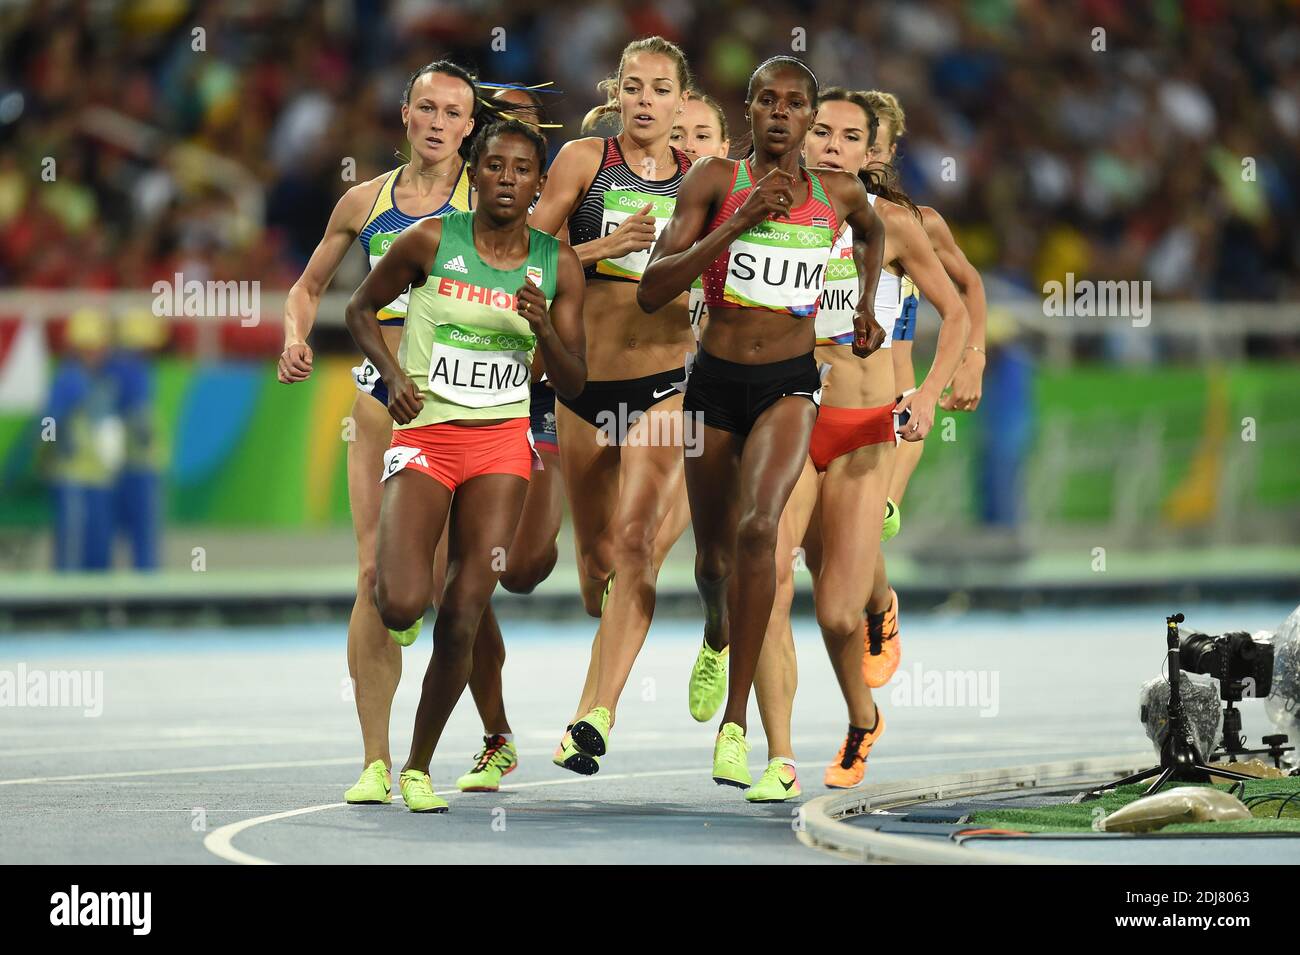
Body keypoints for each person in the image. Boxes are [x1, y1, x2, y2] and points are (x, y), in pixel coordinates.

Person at [638, 56, 887, 788]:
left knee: (759, 531)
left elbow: (873, 235)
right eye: (767, 100)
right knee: (714, 561)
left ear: (810, 119)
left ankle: (735, 724)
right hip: (713, 383)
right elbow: (655, 287)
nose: (781, 113)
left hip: (790, 384)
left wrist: (866, 302)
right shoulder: (715, 181)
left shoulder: (838, 195)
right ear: (749, 110)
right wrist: (735, 225)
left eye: (795, 103)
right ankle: (717, 629)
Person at [345, 119, 586, 812]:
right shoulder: (429, 241)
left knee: (464, 607)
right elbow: (360, 310)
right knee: (396, 599)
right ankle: (409, 723)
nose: (507, 179)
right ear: (472, 176)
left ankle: (417, 766)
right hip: (426, 435)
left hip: (500, 447)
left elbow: (574, 380)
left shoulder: (557, 265)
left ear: (540, 184)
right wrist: (391, 374)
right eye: (495, 167)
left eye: (521, 170)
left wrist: (544, 328)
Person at [278, 60, 500, 805]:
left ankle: (488, 735)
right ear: (405, 113)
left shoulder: (494, 195)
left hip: (464, 406)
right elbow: (308, 287)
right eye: (426, 107)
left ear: (470, 128)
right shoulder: (365, 200)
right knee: (372, 574)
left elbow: (551, 267)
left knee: (450, 587)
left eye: (453, 113)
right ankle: (375, 759)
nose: (438, 122)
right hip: (381, 399)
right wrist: (293, 336)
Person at [748, 89, 969, 800]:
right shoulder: (769, 207)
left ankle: (863, 713)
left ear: (873, 150)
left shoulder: (900, 223)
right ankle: (777, 755)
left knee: (838, 609)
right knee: (772, 576)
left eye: (850, 136)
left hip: (867, 428)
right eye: (822, 132)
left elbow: (960, 305)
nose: (833, 145)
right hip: (790, 417)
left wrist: (931, 391)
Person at [527, 37, 697, 774]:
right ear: (618, 93)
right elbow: (516, 251)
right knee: (596, 567)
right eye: (634, 87)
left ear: (681, 100)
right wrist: (604, 249)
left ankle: (597, 713)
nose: (646, 100)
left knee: (636, 546)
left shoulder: (704, 181)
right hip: (583, 384)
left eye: (660, 89)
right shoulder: (583, 162)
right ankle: (595, 678)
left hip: (665, 383)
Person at [860, 88, 989, 676]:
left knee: (867, 524)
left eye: (877, 147)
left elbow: (969, 289)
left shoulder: (917, 224)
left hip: (899, 407)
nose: (867, 159)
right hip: (829, 401)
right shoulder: (813, 219)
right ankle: (871, 604)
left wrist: (973, 357)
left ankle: (880, 608)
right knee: (832, 544)